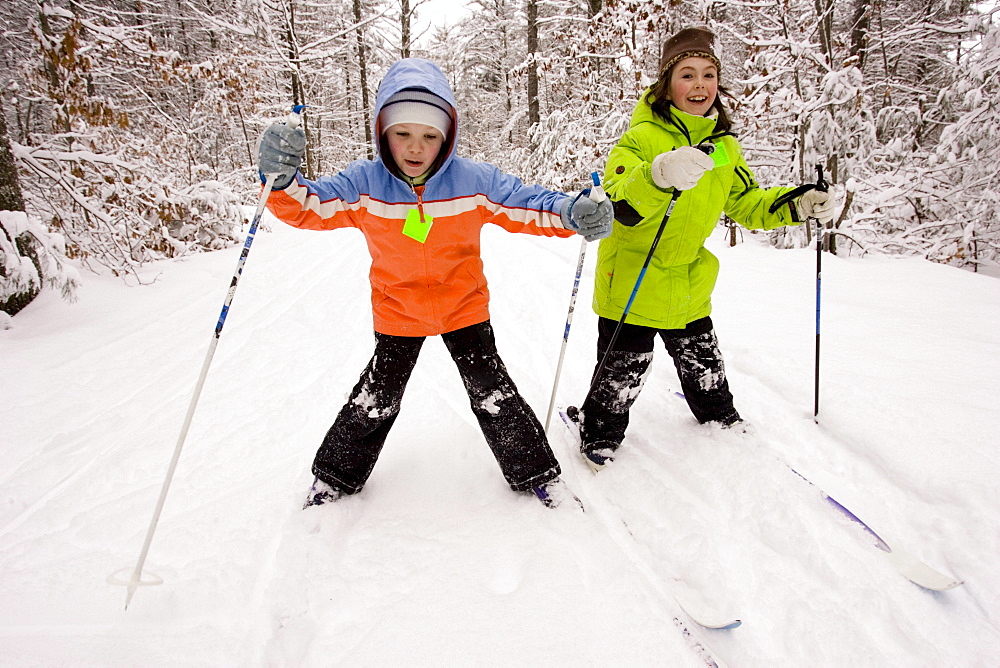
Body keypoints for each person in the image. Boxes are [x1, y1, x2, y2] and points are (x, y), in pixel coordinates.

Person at [257, 58, 613, 509]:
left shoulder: (473, 181)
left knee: (493, 393)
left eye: (430, 135)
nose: (415, 147)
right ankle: (334, 478)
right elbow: (309, 207)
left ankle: (537, 473)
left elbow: (527, 204)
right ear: (382, 130)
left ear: (447, 137)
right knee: (376, 397)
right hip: (398, 310)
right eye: (402, 133)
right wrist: (282, 180)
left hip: (463, 306)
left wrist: (570, 212)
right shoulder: (365, 183)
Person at [570, 27, 835, 470]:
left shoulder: (725, 147)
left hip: (689, 279)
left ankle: (718, 416)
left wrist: (799, 203)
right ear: (667, 84)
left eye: (708, 75)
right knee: (622, 372)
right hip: (633, 282)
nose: (699, 86)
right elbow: (619, 204)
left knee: (704, 362)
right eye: (687, 75)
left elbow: (748, 204)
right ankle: (598, 432)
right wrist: (658, 175)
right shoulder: (640, 139)